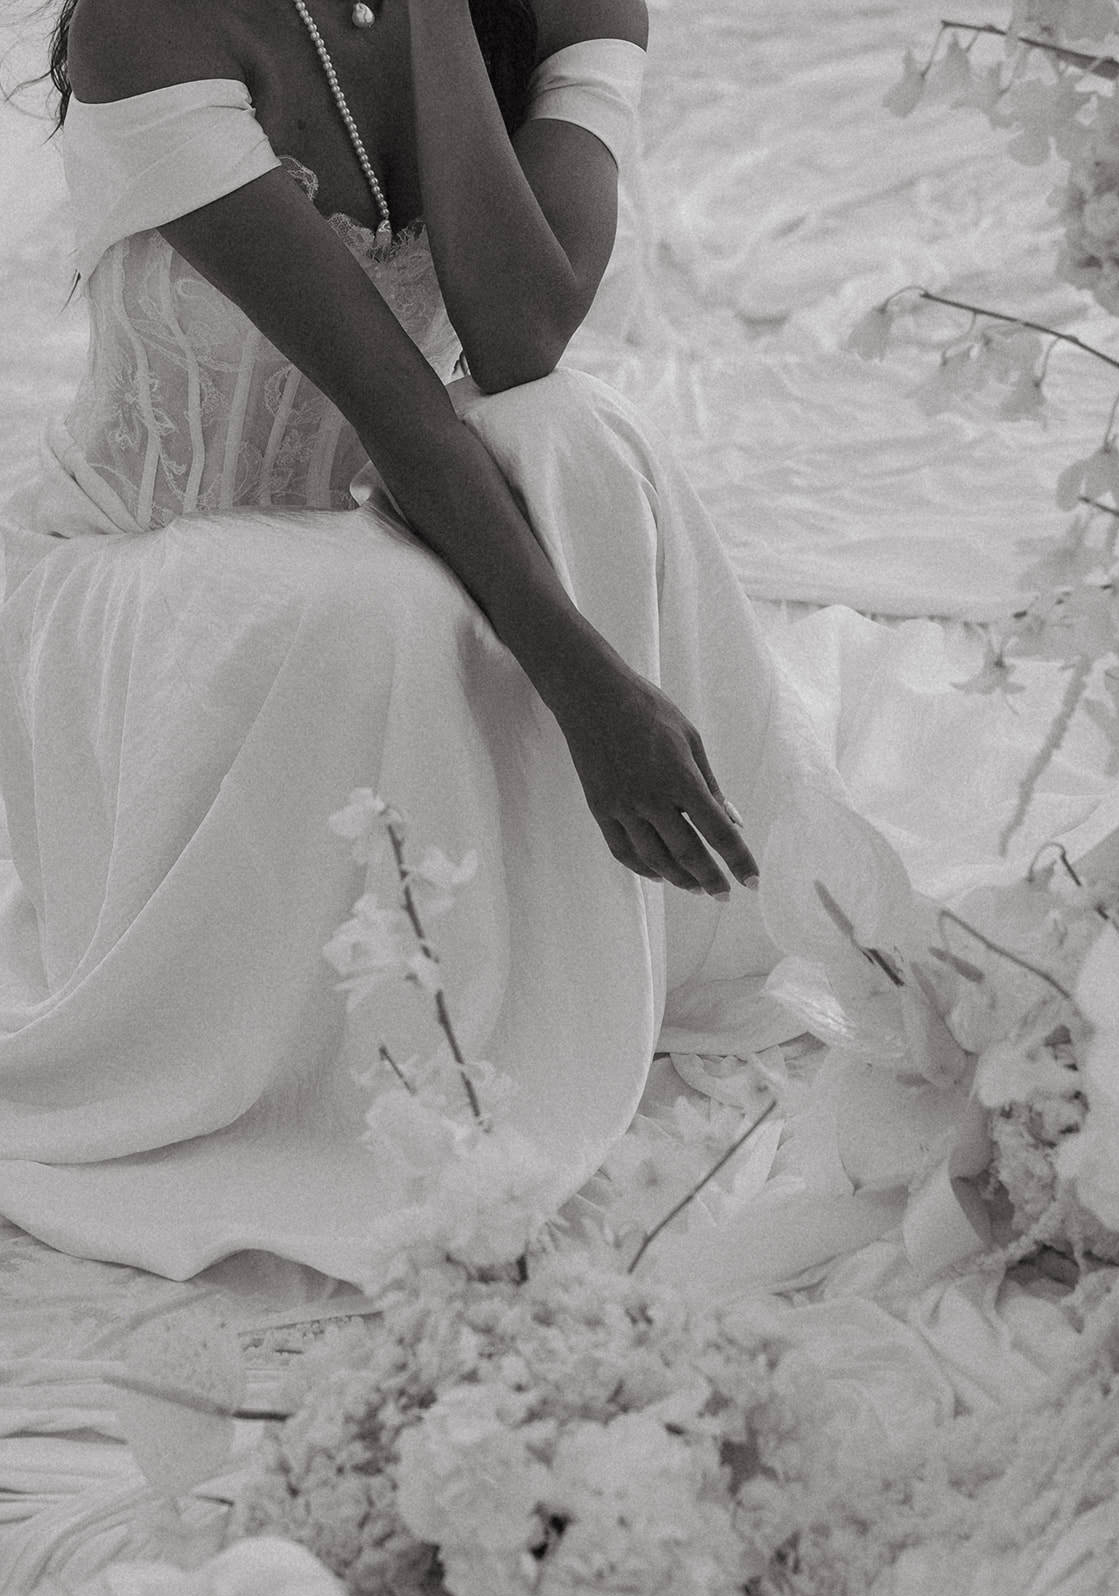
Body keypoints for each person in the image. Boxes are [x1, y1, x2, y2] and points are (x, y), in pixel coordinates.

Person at [0, 0, 886, 1281]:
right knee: (390, 605)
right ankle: (357, 1062)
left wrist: (434, 20)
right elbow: (392, 401)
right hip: (147, 593)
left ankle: (575, 966)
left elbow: (518, 341)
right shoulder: (153, 22)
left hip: (374, 529)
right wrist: (588, 690)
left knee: (582, 437)